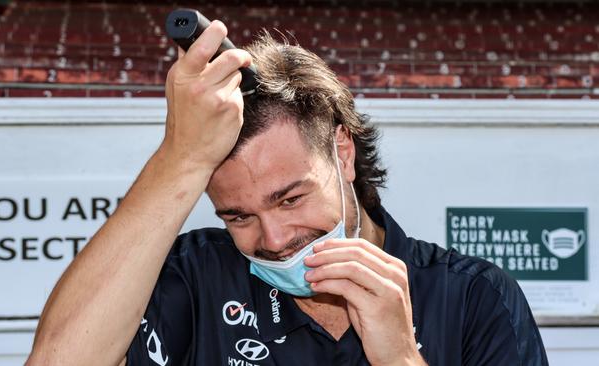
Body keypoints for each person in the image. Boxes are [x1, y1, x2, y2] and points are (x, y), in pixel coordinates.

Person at [27, 21, 548, 366]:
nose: (273, 239)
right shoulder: (196, 276)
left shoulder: (475, 298)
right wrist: (180, 157)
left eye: (290, 198)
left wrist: (400, 360)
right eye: (237, 217)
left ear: (342, 152)